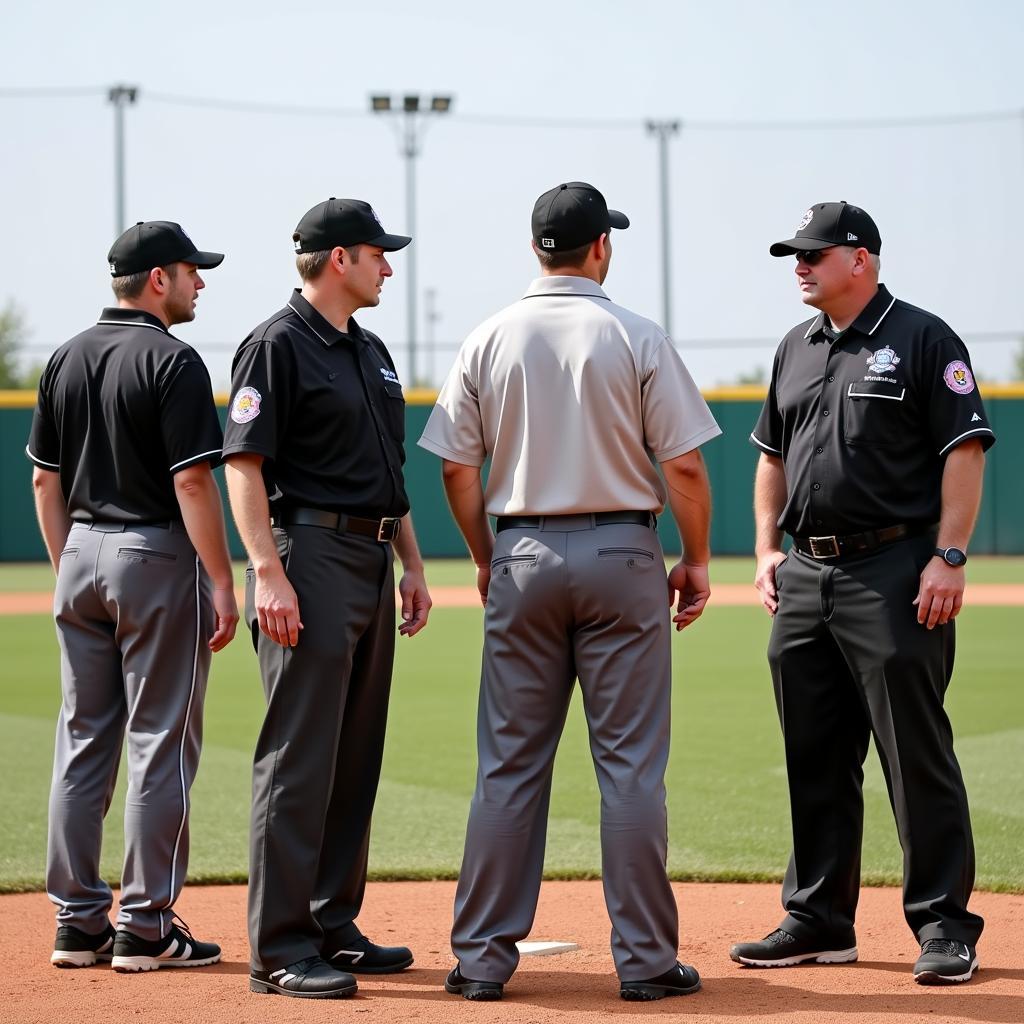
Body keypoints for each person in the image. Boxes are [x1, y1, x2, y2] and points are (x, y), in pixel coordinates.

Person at [419, 181, 720, 1002]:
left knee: (508, 768)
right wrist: (694, 558)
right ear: (601, 247)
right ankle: (647, 964)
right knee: (628, 771)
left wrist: (488, 554)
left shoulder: (488, 335)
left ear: (534, 249)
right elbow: (685, 464)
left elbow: (454, 465)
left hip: (521, 551)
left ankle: (481, 961)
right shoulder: (636, 332)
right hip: (624, 553)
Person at [732, 201, 994, 985]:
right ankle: (819, 918)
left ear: (862, 260)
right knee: (813, 751)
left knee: (914, 752)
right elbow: (771, 457)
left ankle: (944, 924)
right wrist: (765, 549)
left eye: (815, 253)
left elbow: (965, 449)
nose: (800, 266)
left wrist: (949, 555)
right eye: (794, 255)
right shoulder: (795, 346)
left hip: (893, 571)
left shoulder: (922, 337)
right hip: (806, 573)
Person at [222, 197, 432, 1000]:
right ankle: (278, 946)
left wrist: (410, 564)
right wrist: (267, 572)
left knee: (353, 753)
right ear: (339, 258)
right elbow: (242, 464)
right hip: (304, 553)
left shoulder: (370, 350)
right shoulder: (275, 345)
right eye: (378, 252)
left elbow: (393, 472)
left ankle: (329, 922)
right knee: (299, 754)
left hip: (371, 552)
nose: (388, 263)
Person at [27, 220, 238, 972]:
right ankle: (145, 925)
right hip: (152, 553)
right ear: (158, 279)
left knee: (83, 740)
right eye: (190, 271)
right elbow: (191, 480)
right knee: (159, 742)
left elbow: (44, 481)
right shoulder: (173, 361)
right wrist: (220, 577)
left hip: (78, 550)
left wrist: (66, 567)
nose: (200, 283)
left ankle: (77, 922)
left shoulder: (63, 356)